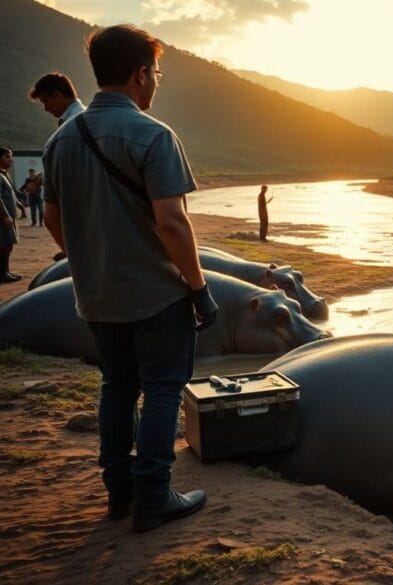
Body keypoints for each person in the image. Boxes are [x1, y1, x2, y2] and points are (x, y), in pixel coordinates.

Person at [42, 24, 216, 533]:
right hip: (156, 295)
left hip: (94, 295)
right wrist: (200, 289)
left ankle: (118, 494)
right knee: (163, 389)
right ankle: (154, 497)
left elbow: (53, 218)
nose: (156, 81)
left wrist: (86, 258)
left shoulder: (61, 140)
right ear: (141, 74)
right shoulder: (154, 135)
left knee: (117, 386)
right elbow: (172, 221)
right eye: (157, 72)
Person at [0, 148, 21, 282]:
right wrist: (5, 215)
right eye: (7, 157)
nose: (10, 159)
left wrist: (19, 204)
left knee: (8, 245)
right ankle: (3, 273)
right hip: (2, 219)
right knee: (4, 245)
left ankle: (5, 271)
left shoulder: (3, 174)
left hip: (7, 218)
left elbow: (10, 194)